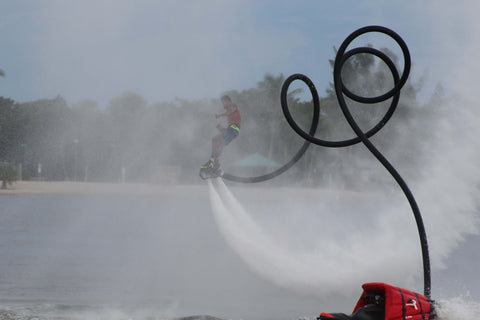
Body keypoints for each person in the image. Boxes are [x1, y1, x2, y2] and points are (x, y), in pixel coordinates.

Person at [202, 95, 241, 171]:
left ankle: (214, 163)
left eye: (223, 102)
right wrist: (223, 129)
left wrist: (219, 115)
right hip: (231, 129)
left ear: (228, 101)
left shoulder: (233, 106)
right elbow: (231, 124)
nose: (223, 105)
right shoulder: (230, 111)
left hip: (234, 129)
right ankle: (212, 161)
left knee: (221, 143)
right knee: (214, 139)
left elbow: (229, 112)